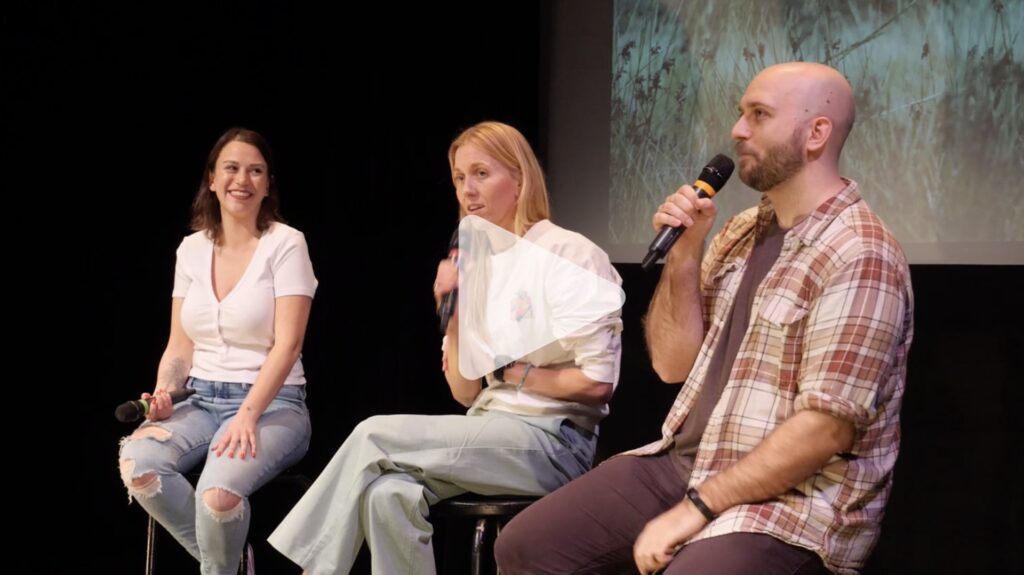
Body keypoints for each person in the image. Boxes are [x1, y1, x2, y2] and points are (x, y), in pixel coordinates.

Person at [495, 62, 915, 575]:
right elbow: (674, 365)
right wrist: (686, 253)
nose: (738, 130)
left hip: (795, 503)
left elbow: (824, 431)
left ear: (816, 133)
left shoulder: (861, 252)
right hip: (688, 462)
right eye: (741, 114)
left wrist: (694, 511)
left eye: (758, 115)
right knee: (526, 545)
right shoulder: (741, 231)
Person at [267, 121, 624, 574]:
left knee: (372, 433)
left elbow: (598, 384)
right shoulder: (478, 267)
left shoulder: (569, 254)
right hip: (489, 428)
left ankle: (311, 568)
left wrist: (512, 373)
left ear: (519, 178)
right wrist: (451, 312)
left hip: (553, 441)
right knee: (386, 494)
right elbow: (465, 392)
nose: (467, 190)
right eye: (459, 177)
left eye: (481, 173)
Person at [118, 127, 317, 575]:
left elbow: (287, 345)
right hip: (201, 399)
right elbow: (180, 344)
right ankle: (232, 563)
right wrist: (164, 393)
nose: (241, 179)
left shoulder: (286, 244)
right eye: (231, 168)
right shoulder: (190, 249)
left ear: (267, 184)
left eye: (255, 170)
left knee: (217, 496)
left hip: (272, 405)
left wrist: (248, 413)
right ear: (211, 179)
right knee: (140, 465)